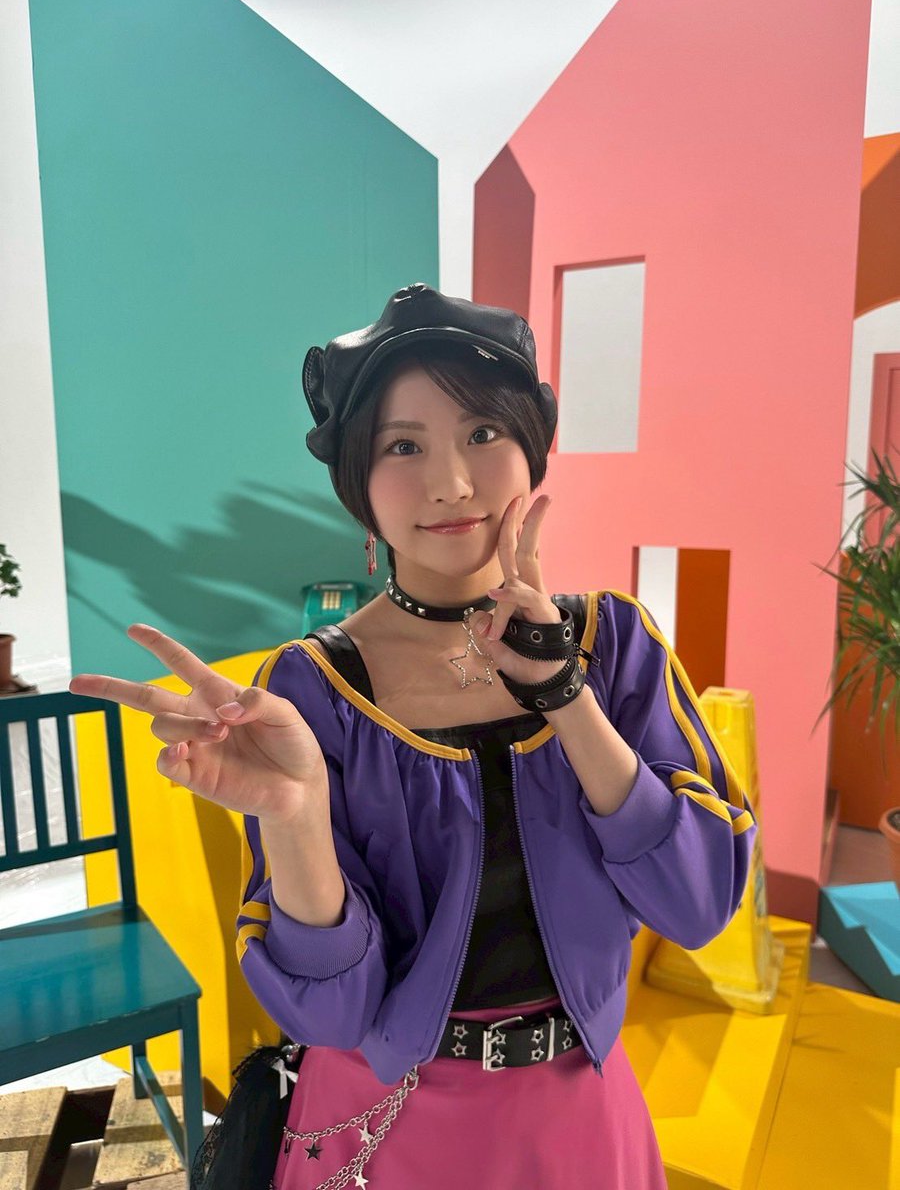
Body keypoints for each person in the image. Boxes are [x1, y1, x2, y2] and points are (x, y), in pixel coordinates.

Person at [70, 283, 758, 1189]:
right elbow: (331, 1010)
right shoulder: (310, 690)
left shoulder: (614, 641)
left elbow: (699, 903)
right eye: (403, 446)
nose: (451, 483)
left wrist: (565, 696)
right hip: (381, 1130)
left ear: (531, 448)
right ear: (359, 485)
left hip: (581, 1121)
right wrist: (298, 816)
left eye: (483, 431)